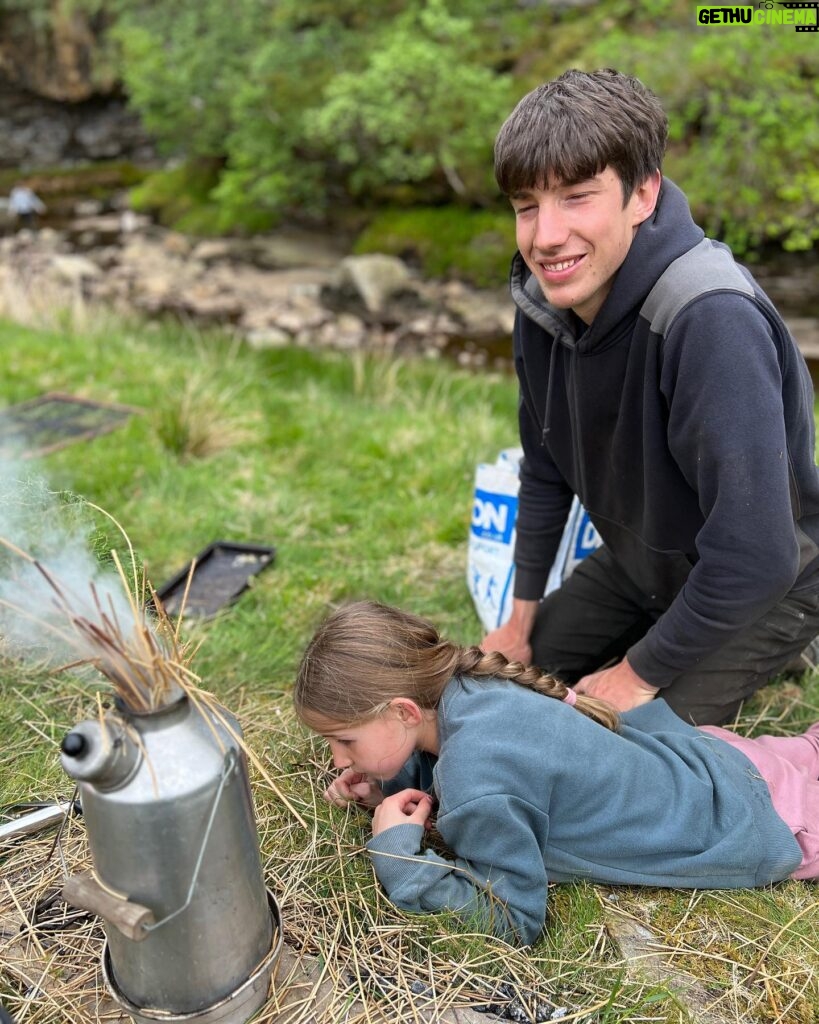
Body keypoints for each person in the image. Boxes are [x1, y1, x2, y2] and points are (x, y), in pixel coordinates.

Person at [481, 68, 819, 726]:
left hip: (764, 582)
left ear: (642, 194)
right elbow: (544, 470)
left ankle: (787, 647)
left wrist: (634, 675)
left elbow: (758, 555)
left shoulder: (708, 317)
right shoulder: (545, 300)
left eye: (576, 197)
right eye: (526, 205)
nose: (545, 236)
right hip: (644, 561)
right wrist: (518, 620)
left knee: (628, 749)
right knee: (497, 691)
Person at [295, 600, 819, 945]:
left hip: (758, 823)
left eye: (345, 741)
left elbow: (513, 918)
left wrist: (400, 859)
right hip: (717, 760)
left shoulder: (477, 785)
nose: (339, 759)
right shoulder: (468, 689)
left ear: (406, 711)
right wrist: (388, 783)